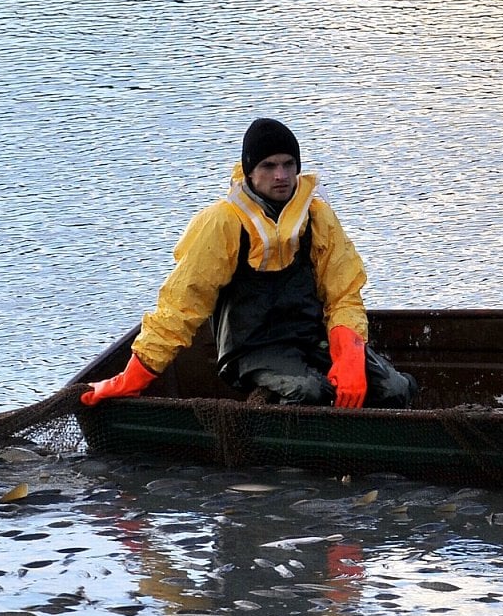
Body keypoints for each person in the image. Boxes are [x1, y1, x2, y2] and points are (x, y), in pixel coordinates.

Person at [81, 118, 418, 409]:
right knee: (310, 391)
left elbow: (343, 292)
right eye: (269, 166)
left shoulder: (316, 216)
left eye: (288, 164)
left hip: (309, 338)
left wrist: (349, 354)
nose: (282, 175)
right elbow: (181, 306)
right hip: (251, 350)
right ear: (250, 171)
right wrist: (135, 375)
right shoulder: (222, 223)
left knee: (395, 389)